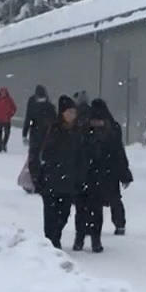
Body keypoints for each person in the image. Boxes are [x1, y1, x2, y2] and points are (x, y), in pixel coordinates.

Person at [36, 96, 88, 249]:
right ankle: (52, 242)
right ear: (63, 113)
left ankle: (55, 236)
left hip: (69, 180)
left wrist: (80, 176)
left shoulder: (78, 132)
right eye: (69, 112)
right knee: (50, 214)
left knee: (64, 214)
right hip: (50, 179)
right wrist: (38, 174)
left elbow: (82, 156)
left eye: (74, 112)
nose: (72, 115)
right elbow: (39, 152)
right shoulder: (52, 129)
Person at [81, 99, 131, 249]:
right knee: (114, 198)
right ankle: (119, 223)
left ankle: (90, 226)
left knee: (91, 201)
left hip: (91, 171)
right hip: (110, 169)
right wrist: (124, 172)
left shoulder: (86, 127)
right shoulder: (113, 127)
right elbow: (118, 151)